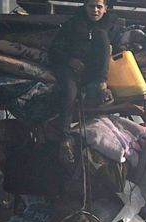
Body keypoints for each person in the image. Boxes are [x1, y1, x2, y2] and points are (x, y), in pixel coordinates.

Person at [50, 0, 121, 131]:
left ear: (105, 8)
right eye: (91, 6)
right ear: (85, 7)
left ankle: (101, 84)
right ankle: (64, 140)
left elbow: (120, 48)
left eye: (99, 7)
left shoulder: (111, 26)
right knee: (69, 93)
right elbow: (55, 50)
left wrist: (112, 50)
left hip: (97, 72)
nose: (95, 10)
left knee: (102, 36)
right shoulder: (72, 24)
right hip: (72, 69)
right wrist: (70, 60)